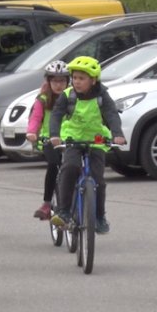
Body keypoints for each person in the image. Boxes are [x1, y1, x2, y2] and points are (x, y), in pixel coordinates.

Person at [49, 56, 126, 234]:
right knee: (70, 168)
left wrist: (117, 134)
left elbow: (112, 114)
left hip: (96, 139)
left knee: (98, 180)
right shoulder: (67, 95)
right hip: (72, 138)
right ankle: (64, 212)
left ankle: (99, 217)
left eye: (81, 78)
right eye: (74, 77)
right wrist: (54, 135)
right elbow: (56, 115)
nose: (76, 82)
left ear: (93, 80)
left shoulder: (102, 96)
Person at [25, 60, 70, 220]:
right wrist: (32, 133)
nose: (59, 85)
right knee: (53, 165)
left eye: (62, 81)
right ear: (48, 82)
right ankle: (46, 203)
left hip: (70, 138)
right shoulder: (43, 99)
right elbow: (36, 118)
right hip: (49, 139)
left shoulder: (73, 97)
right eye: (55, 81)